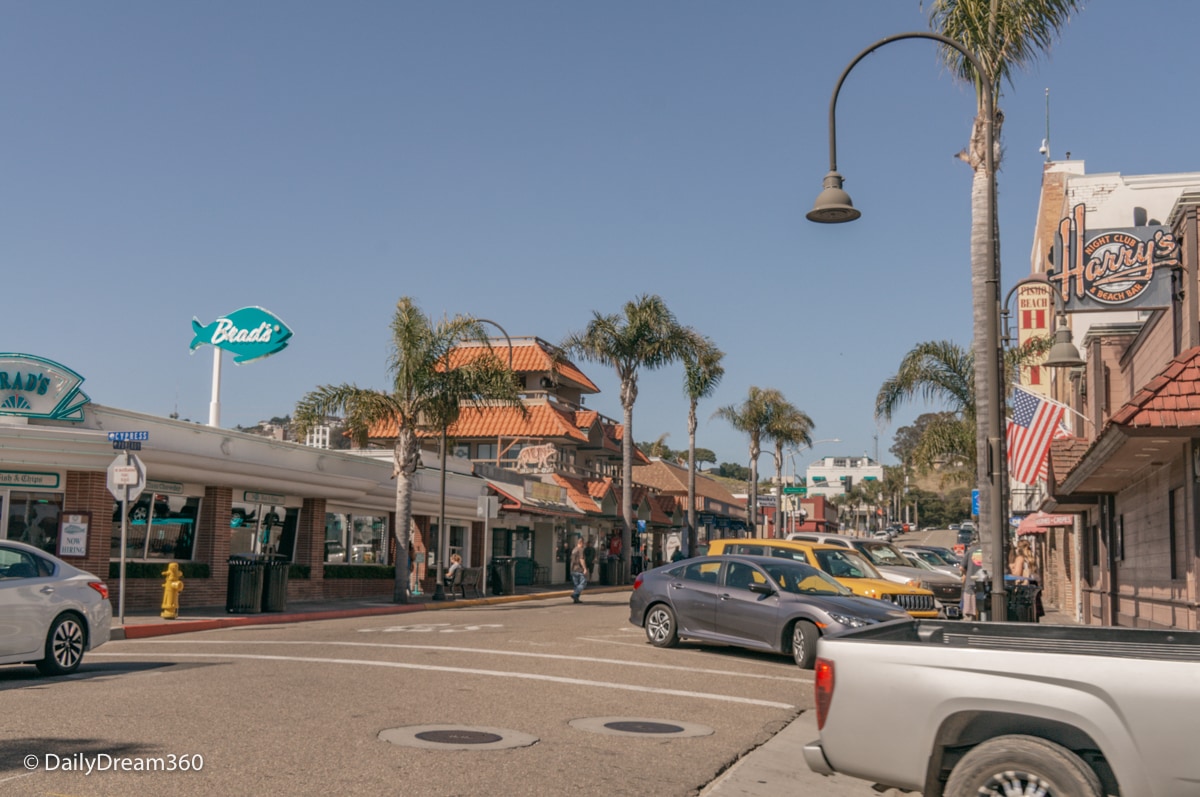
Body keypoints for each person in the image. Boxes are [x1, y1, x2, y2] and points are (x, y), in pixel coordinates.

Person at [570, 537, 587, 604]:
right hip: (579, 569)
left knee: (576, 585)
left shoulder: (574, 549)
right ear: (581, 542)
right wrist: (585, 568)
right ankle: (575, 594)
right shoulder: (580, 550)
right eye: (583, 543)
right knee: (583, 583)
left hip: (573, 569)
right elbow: (581, 559)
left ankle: (576, 599)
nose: (584, 545)